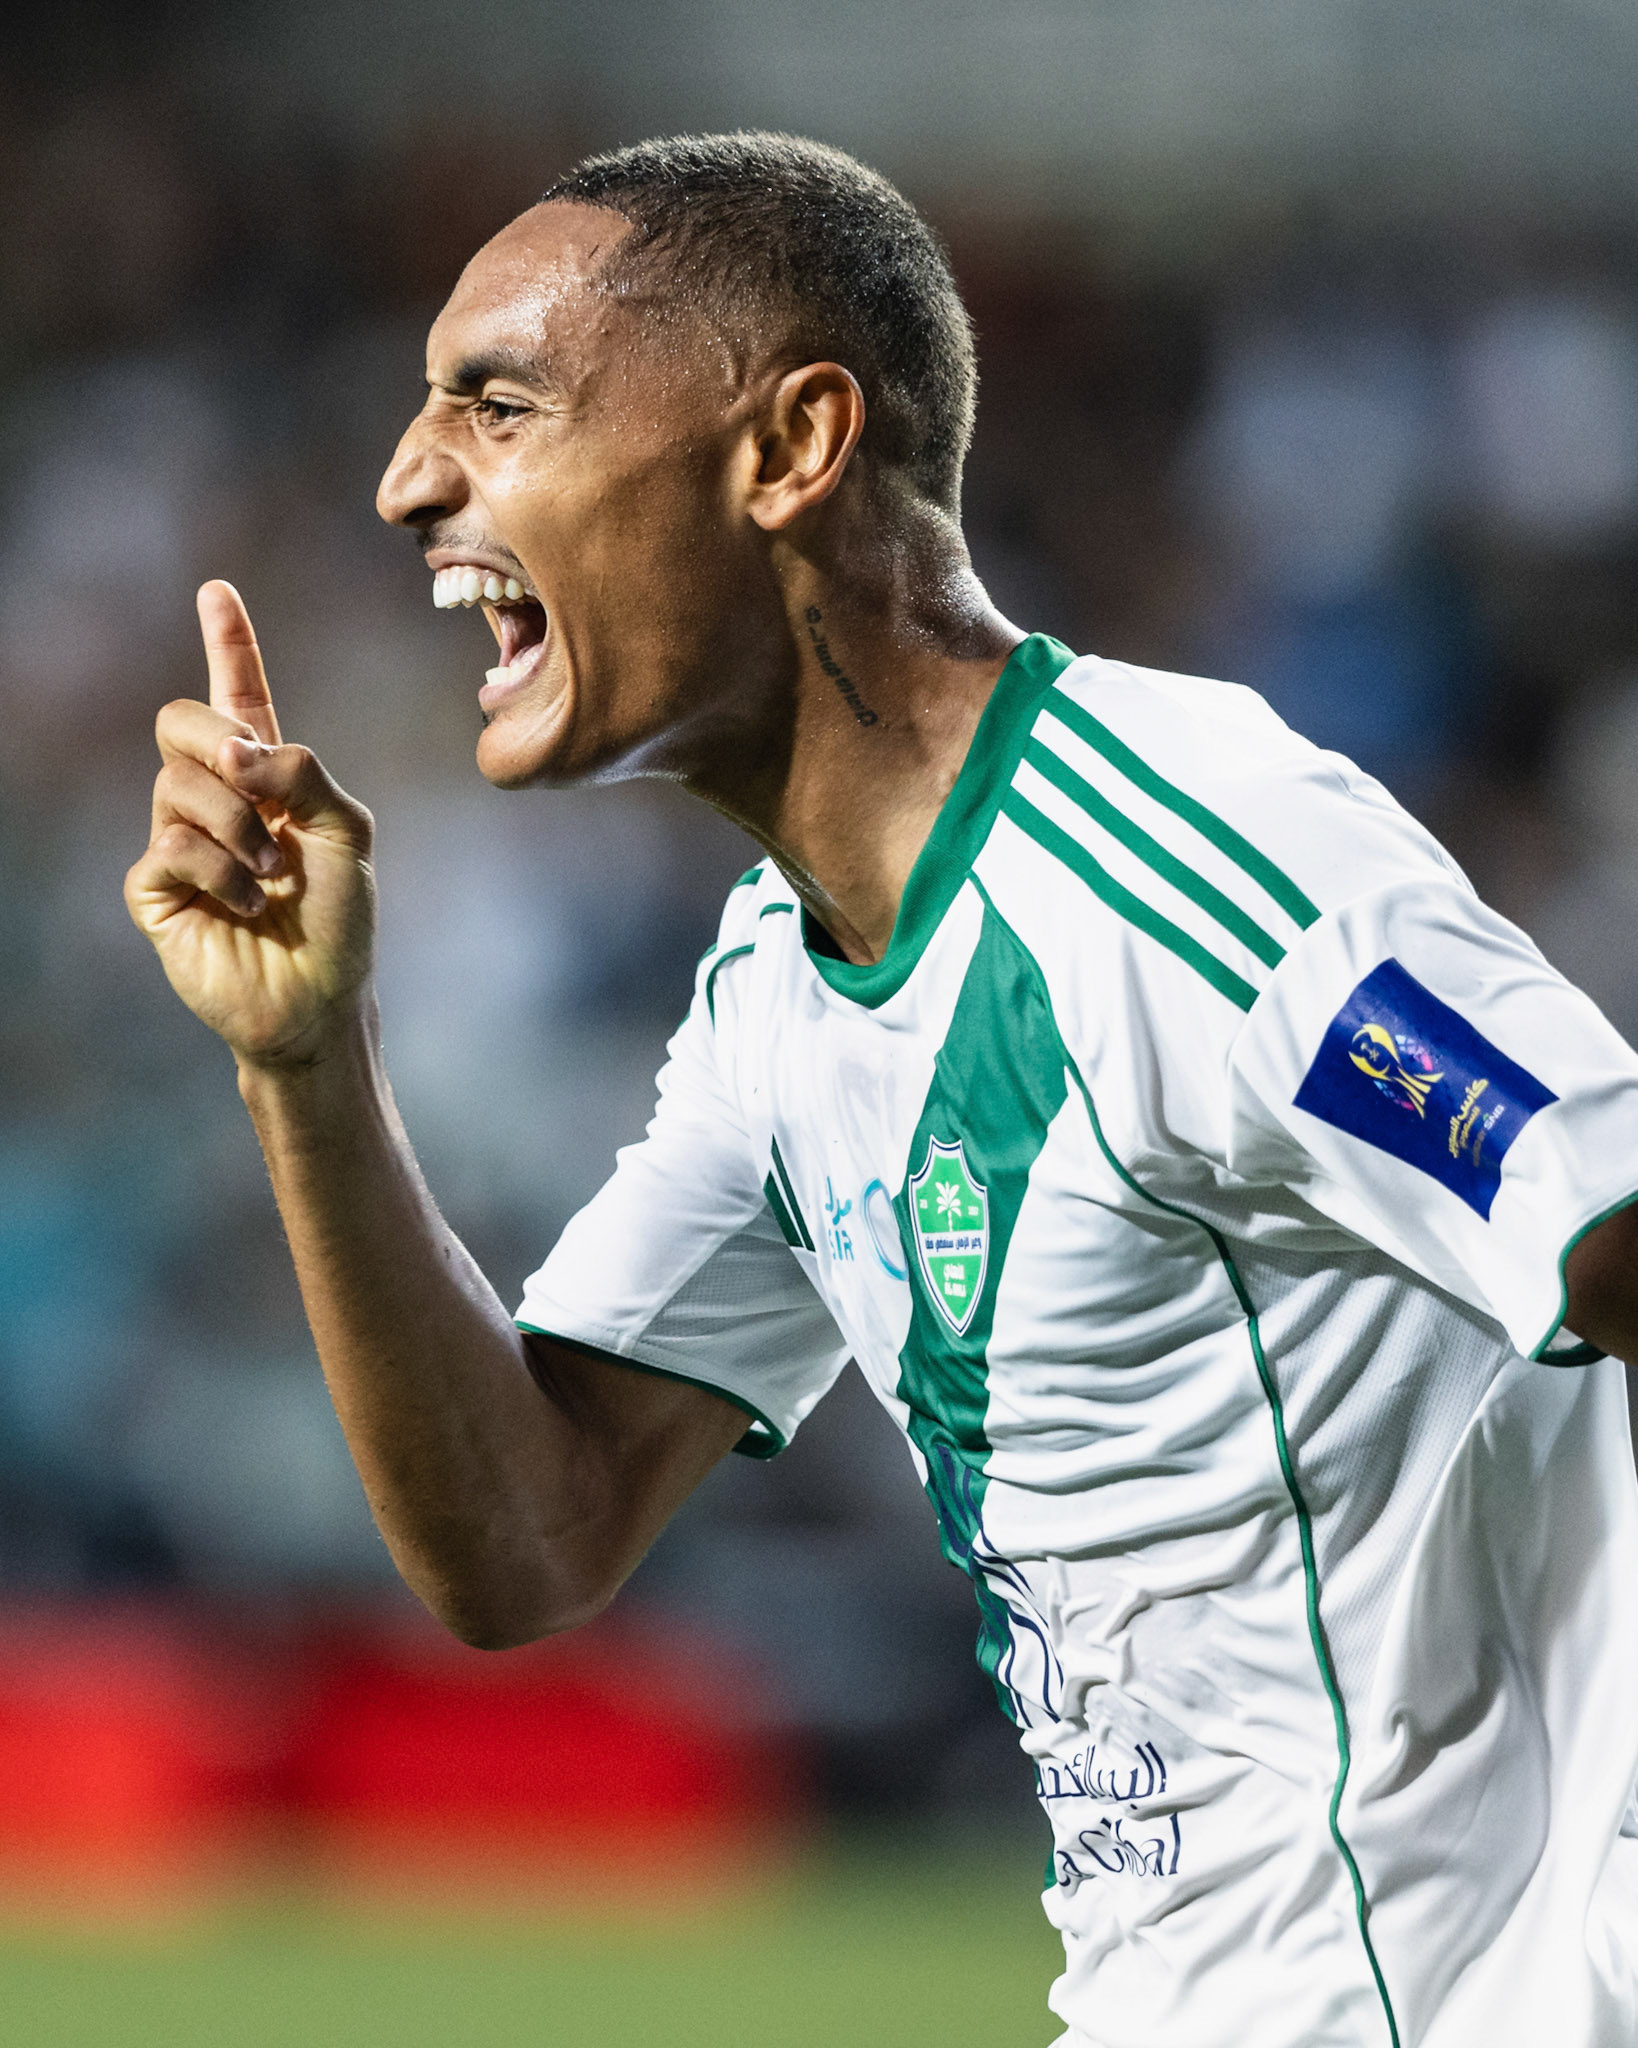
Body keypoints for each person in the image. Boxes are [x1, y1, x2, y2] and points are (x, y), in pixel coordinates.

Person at [124, 132, 1638, 2048]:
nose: (407, 478)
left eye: (497, 406)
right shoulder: (780, 986)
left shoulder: (1192, 870)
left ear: (790, 446)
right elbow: (526, 1539)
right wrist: (304, 1061)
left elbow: (1607, 1228)